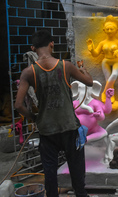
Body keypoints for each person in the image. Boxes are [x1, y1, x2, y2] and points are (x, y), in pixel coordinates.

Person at [15, 30, 93, 197]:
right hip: (69, 127)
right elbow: (89, 82)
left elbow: (18, 105)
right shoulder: (66, 66)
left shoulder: (29, 72)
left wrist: (34, 118)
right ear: (52, 44)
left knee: (50, 173)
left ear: (33, 48)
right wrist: (84, 70)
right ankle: (81, 194)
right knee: (77, 170)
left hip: (46, 130)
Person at [86, 15, 118, 110]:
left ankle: (104, 92)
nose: (110, 31)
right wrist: (91, 49)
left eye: (112, 29)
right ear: (104, 30)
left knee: (113, 75)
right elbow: (96, 54)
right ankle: (110, 95)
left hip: (116, 61)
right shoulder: (102, 43)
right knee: (109, 80)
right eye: (108, 29)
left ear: (116, 30)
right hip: (106, 61)